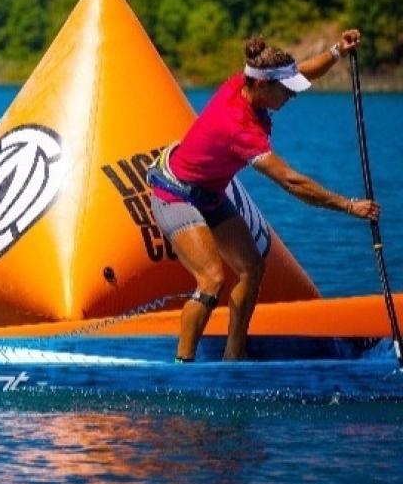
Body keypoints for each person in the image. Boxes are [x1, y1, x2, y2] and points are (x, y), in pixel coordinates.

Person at [147, 30, 379, 363]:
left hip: (209, 193)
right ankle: (182, 367)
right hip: (175, 194)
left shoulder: (245, 83)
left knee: (252, 268)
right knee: (211, 280)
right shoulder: (239, 127)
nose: (292, 95)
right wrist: (349, 206)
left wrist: (336, 51)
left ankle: (234, 356)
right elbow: (292, 182)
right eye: (286, 90)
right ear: (261, 85)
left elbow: (302, 72)